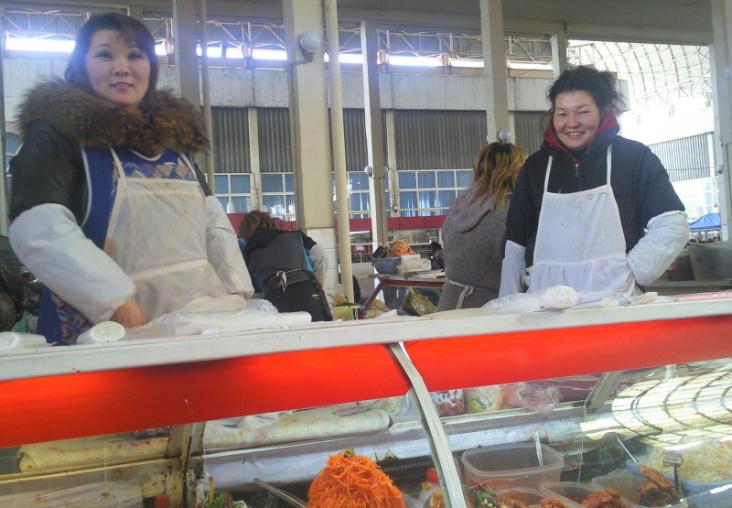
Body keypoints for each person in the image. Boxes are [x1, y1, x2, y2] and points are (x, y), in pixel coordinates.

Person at [8, 13, 253, 344]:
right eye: (105, 54)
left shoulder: (175, 143)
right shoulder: (56, 136)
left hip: (194, 330)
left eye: (135, 55)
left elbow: (212, 221)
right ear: (81, 65)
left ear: (150, 68)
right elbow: (39, 229)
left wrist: (237, 289)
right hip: (100, 336)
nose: (121, 67)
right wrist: (115, 301)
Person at [500, 66, 688, 302]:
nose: (572, 123)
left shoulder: (634, 158)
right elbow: (514, 244)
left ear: (603, 112)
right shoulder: (535, 168)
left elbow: (672, 224)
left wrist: (632, 272)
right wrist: (508, 305)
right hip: (546, 306)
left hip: (617, 304)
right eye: (562, 114)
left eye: (583, 112)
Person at [438, 141, 528, 310]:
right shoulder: (512, 212)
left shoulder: (458, 206)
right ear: (518, 171)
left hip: (449, 306)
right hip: (488, 313)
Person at [240, 211, 333, 321]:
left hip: (275, 297)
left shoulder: (248, 250)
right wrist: (317, 284)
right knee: (320, 333)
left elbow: (252, 288)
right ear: (270, 222)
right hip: (306, 291)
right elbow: (320, 255)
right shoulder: (294, 236)